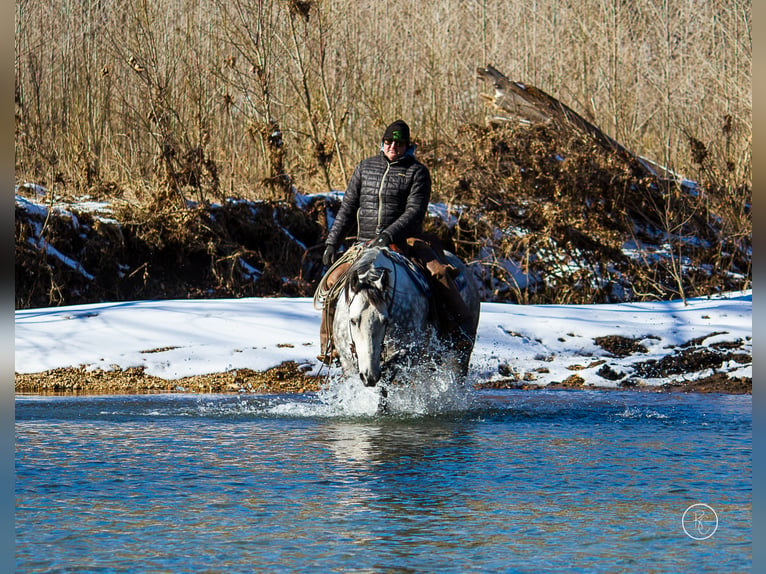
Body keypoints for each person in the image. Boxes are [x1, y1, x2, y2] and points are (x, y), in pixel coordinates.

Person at [317, 119, 474, 364]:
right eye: (389, 142)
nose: (393, 147)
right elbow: (348, 208)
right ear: (382, 142)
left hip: (405, 243)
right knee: (331, 283)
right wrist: (331, 242)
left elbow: (414, 211)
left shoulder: (417, 172)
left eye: (399, 143)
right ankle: (331, 346)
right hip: (365, 245)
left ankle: (457, 331)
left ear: (407, 146)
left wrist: (389, 235)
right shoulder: (365, 168)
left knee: (439, 274)